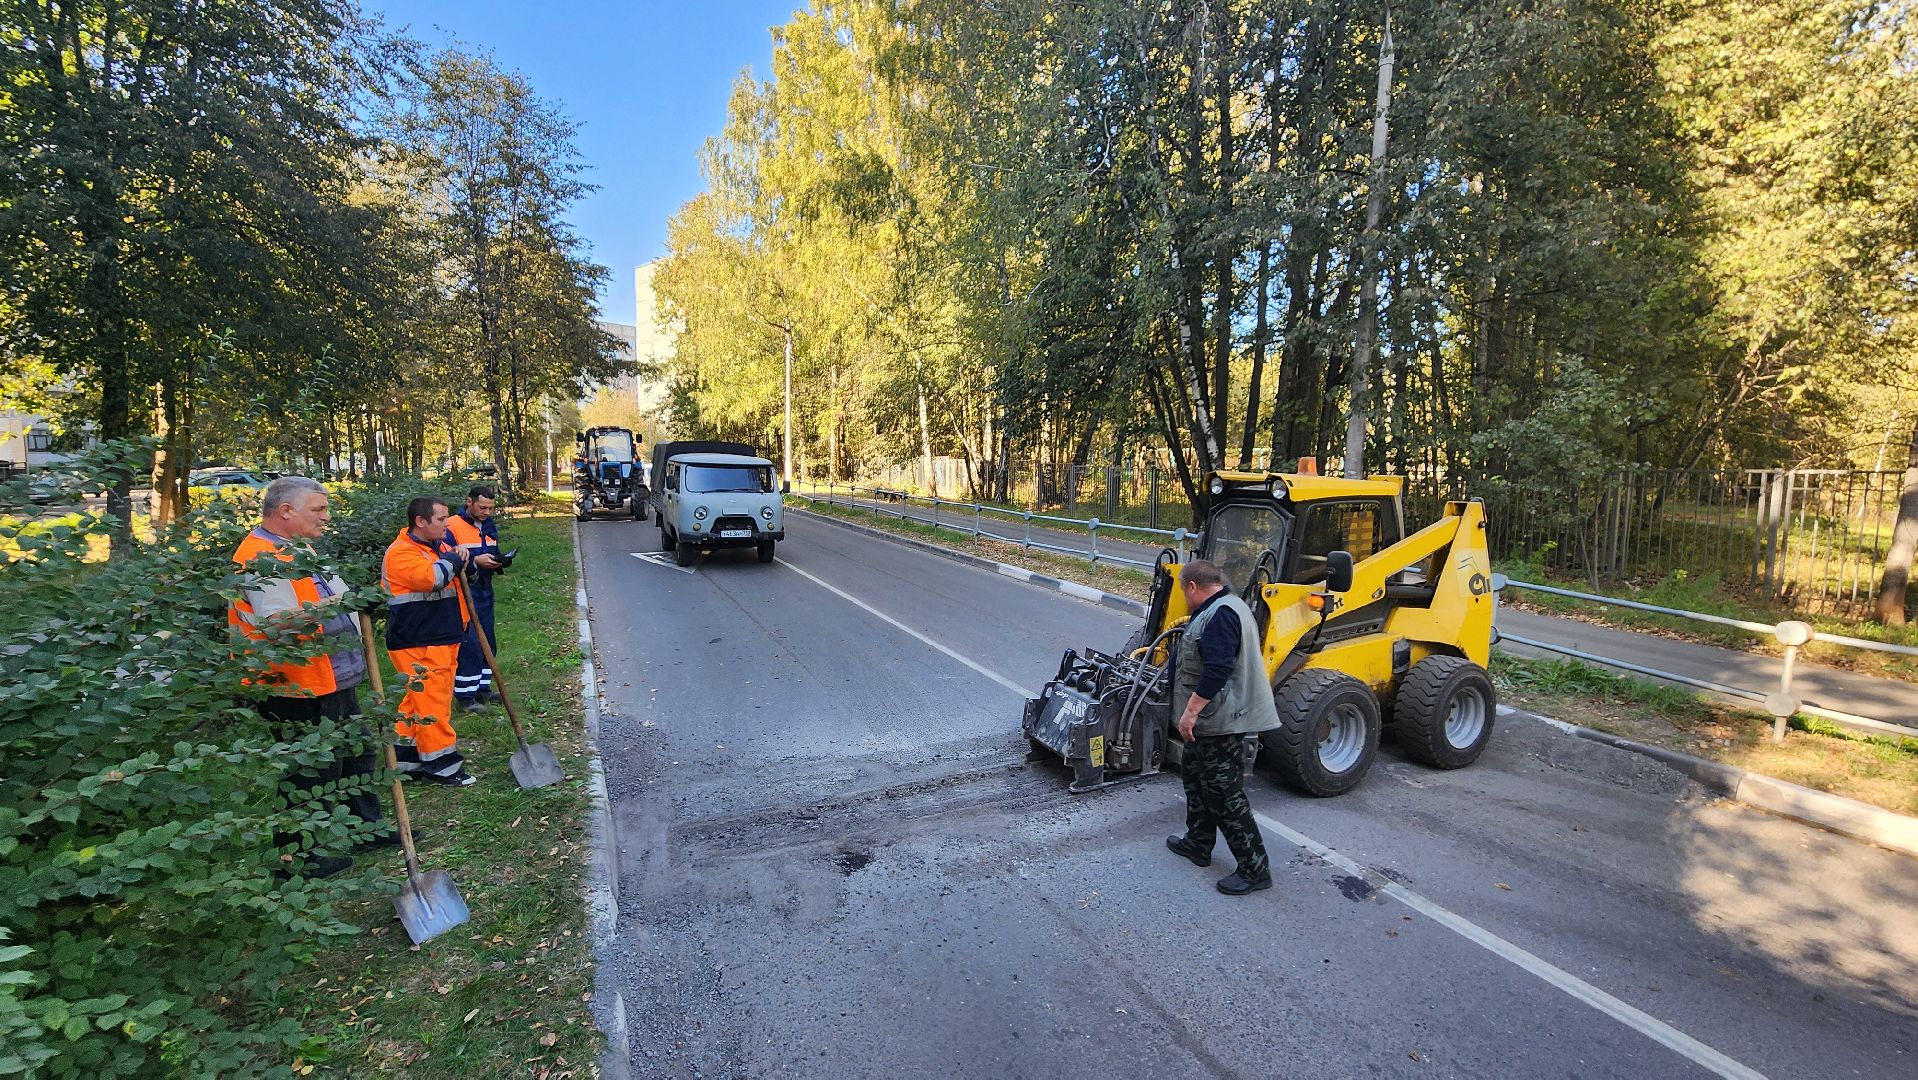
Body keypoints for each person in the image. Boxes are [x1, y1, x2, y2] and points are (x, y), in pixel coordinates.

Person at [229, 476, 388, 878]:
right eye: (319, 509)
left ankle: (366, 828)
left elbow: (332, 595)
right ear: (286, 511)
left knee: (357, 752)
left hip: (331, 675)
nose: (326, 517)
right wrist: (340, 603)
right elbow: (276, 622)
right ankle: (297, 857)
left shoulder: (298, 548)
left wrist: (354, 603)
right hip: (295, 684)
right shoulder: (260, 558)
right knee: (310, 769)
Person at [1164, 558, 1280, 895]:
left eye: (1183, 592)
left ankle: (1255, 869)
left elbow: (1217, 669)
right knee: (1195, 780)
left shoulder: (1222, 614)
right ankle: (1198, 843)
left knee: (1224, 795)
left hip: (1219, 721)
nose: (1184, 598)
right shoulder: (1223, 607)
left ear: (1192, 587)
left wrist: (1190, 713)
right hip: (1208, 721)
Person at [382, 496, 476, 786]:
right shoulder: (401, 553)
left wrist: (466, 562)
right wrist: (454, 559)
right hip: (418, 640)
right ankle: (442, 766)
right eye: (441, 519)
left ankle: (406, 761)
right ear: (420, 521)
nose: (447, 524)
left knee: (416, 702)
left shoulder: (439, 547)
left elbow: (461, 577)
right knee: (433, 703)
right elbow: (432, 578)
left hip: (441, 635)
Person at [446, 485, 506, 711]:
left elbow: (492, 549)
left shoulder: (488, 525)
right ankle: (465, 696)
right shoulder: (451, 526)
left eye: (490, 508)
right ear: (469, 502)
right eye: (482, 507)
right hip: (463, 592)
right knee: (469, 642)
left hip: (485, 589)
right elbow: (448, 557)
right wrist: (475, 561)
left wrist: (499, 561)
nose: (487, 512)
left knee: (487, 639)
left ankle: (483, 689)